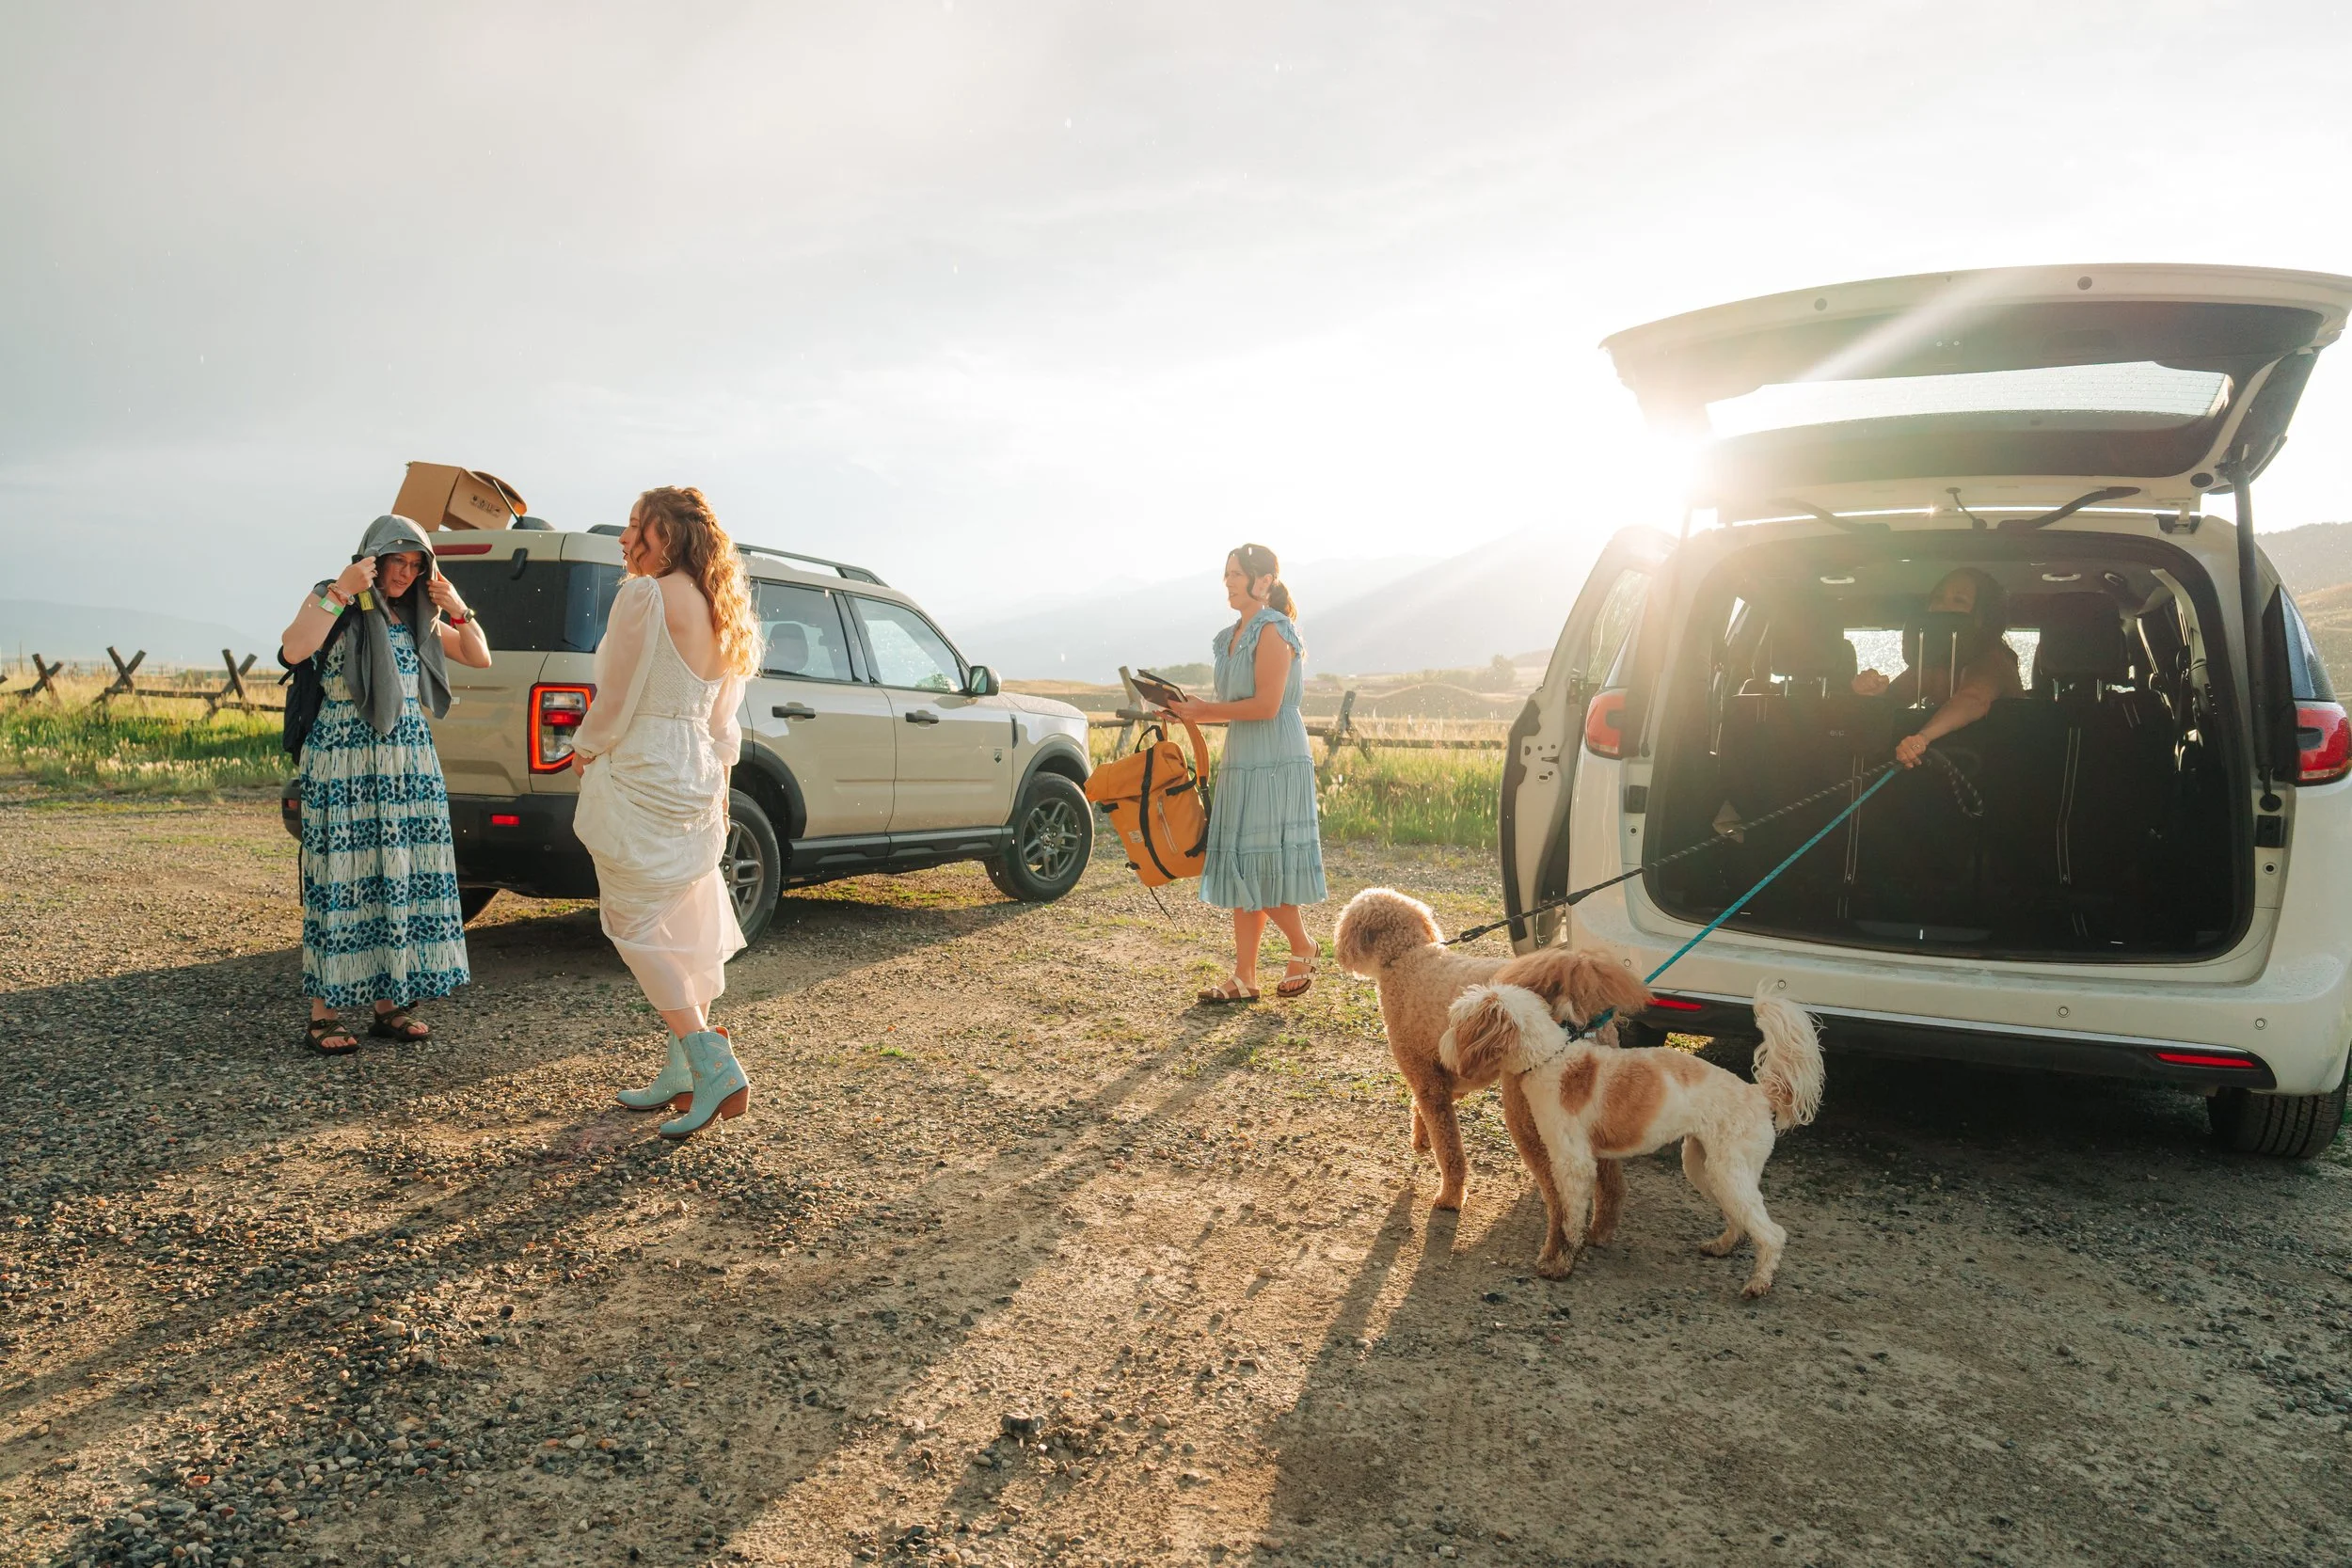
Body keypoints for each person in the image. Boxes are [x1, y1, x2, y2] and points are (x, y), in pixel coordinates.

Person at [567, 485, 761, 1139]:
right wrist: (720, 783)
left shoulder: (645, 595)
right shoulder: (722, 608)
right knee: (679, 915)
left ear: (667, 536)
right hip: (699, 772)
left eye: (635, 528)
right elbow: (722, 721)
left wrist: (584, 747)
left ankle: (710, 1060)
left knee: (631, 921)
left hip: (645, 763)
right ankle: (682, 1067)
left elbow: (617, 696)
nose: (625, 541)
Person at [278, 515, 492, 1054]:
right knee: (345, 877)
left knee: (398, 876)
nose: (405, 573)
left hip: (407, 762)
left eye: (416, 565)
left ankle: (389, 1004)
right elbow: (293, 650)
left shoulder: (414, 615)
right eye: (397, 561)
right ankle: (323, 1013)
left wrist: (459, 606)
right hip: (345, 760)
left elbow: (478, 654)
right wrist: (341, 592)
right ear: (373, 557)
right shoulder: (335, 598)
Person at [1163, 543, 1327, 1002]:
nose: (1228, 582)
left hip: (1275, 756)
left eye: (1237, 574)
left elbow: (1267, 705)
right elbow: (1233, 706)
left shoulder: (1275, 630)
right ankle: (1245, 977)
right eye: (1227, 574)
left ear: (1263, 582)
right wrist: (1185, 712)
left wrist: (1204, 710)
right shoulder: (1229, 635)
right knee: (1239, 859)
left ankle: (1303, 945)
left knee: (1260, 861)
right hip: (1242, 753)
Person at [1852, 566, 2021, 768]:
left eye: (1959, 601)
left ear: (1983, 616)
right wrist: (1874, 692)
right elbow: (1894, 700)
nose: (1943, 607)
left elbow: (1974, 699)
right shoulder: (1932, 662)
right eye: (1938, 598)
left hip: (1999, 766)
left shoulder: (1994, 659)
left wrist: (1922, 738)